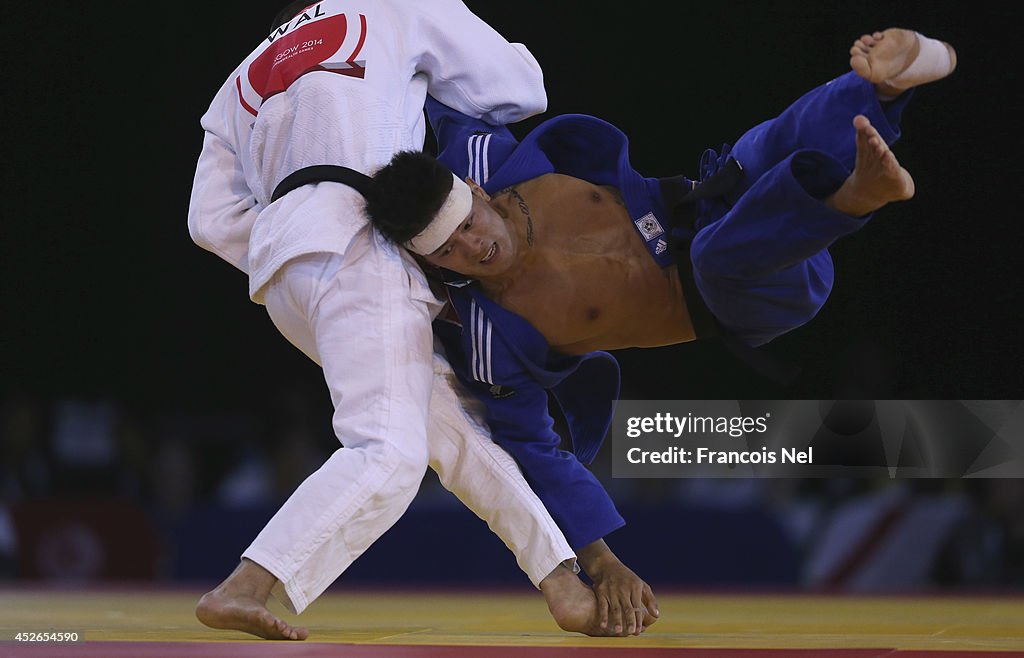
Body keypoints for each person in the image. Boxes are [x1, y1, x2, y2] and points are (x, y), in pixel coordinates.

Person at [363, 28, 957, 550]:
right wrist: (595, 560)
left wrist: (349, 30)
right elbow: (532, 451)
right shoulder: (498, 336)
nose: (473, 247)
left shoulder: (483, 153)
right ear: (433, 264)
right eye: (447, 251)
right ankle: (851, 199)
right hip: (751, 291)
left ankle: (890, 82)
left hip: (716, 201)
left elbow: (429, 65)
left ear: (475, 188)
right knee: (716, 255)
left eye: (468, 224)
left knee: (766, 145)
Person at [187, 0, 655, 641]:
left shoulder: (236, 84)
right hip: (357, 238)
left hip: (280, 270)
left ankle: (560, 580)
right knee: (388, 453)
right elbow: (521, 88)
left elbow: (207, 221)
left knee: (454, 429)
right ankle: (248, 584)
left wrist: (289, 238)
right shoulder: (394, 9)